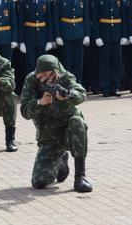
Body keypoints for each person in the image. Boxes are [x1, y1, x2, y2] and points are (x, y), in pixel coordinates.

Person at [20, 54, 92, 193]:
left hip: (68, 131)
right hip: (48, 135)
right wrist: (40, 102)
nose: (45, 78)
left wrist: (67, 95)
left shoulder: (66, 77)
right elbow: (24, 111)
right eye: (41, 75)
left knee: (77, 121)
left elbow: (81, 94)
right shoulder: (31, 80)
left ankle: (80, 177)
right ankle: (61, 160)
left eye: (48, 74)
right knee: (39, 182)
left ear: (56, 72)